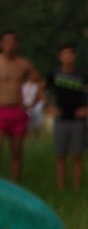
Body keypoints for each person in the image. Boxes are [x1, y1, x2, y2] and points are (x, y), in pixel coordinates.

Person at [48, 43, 88, 191]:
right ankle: (61, 187)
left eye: (71, 53)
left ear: (75, 56)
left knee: (77, 155)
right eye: (65, 53)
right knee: (60, 155)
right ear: (60, 57)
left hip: (77, 120)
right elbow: (42, 90)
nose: (68, 56)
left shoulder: (82, 74)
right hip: (61, 119)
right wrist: (48, 107)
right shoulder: (54, 73)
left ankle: (77, 187)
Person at [0, 31, 44, 183]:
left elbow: (40, 81)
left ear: (17, 45)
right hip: (1, 109)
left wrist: (33, 102)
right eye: (7, 42)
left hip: (17, 110)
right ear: (2, 44)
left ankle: (15, 184)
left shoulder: (23, 64)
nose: (10, 46)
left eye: (13, 43)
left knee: (17, 151)